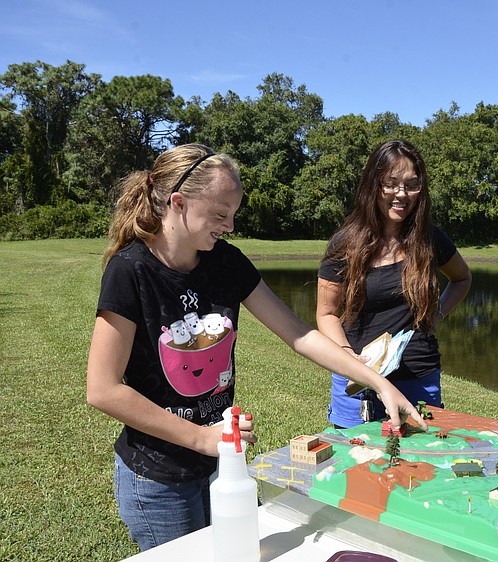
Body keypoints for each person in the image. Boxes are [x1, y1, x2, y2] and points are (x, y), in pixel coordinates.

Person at [86, 143, 426, 551]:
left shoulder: (225, 262)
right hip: (158, 478)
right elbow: (103, 389)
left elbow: (299, 334)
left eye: (232, 214)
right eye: (219, 215)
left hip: (223, 465)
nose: (228, 226)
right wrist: (201, 438)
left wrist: (379, 382)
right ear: (178, 203)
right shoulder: (131, 271)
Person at [316, 139, 471, 428]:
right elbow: (326, 314)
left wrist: (437, 313)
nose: (401, 193)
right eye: (391, 184)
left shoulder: (430, 240)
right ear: (373, 186)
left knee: (420, 467)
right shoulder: (345, 245)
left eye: (411, 185)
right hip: (357, 382)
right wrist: (349, 358)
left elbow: (462, 278)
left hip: (419, 379)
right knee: (354, 466)